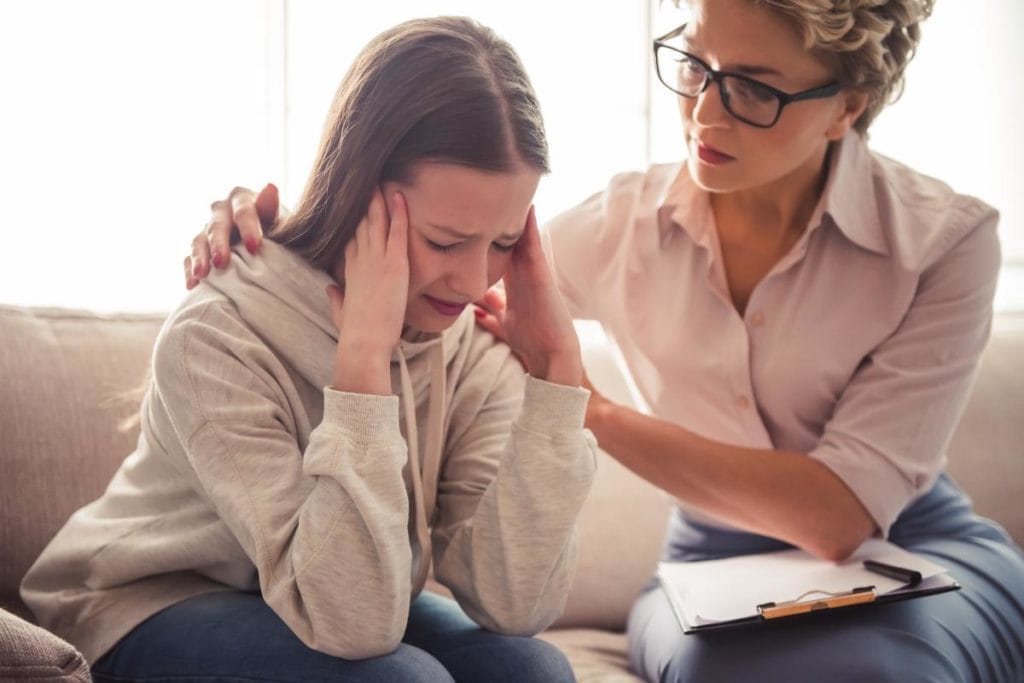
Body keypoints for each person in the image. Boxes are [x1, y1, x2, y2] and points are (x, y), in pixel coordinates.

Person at [188, 1, 1024, 681]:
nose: (704, 108)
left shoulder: (943, 243)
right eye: (695, 65)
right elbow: (434, 227)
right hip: (711, 566)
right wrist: (276, 226)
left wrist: (583, 401)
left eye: (754, 88)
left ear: (849, 105)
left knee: (882, 671)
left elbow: (839, 516)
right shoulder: (626, 223)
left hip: (909, 546)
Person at [21, 16, 598, 683]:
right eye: (444, 242)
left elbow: (515, 601)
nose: (474, 283)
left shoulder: (467, 341)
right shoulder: (218, 332)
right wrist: (361, 371)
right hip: (146, 603)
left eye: (502, 242)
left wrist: (558, 374)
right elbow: (352, 624)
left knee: (535, 671)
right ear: (359, 196)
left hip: (341, 591)